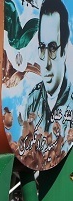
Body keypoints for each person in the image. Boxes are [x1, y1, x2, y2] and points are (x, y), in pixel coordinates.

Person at [27, 0, 72, 132]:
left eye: (52, 48)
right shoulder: (32, 100)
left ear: (64, 50)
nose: (46, 63)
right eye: (42, 48)